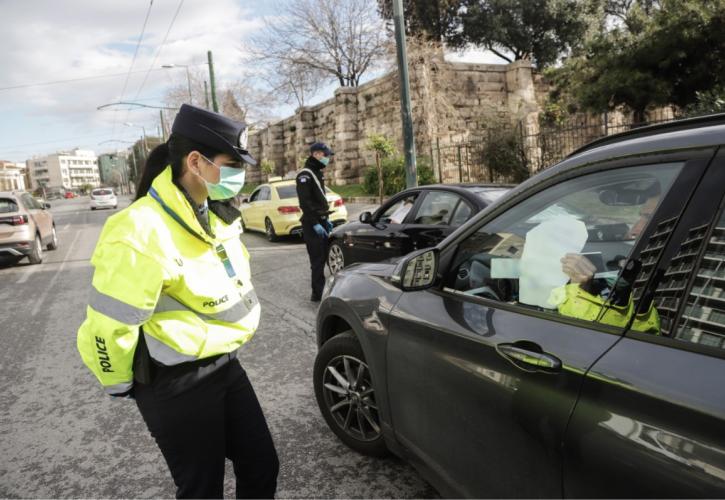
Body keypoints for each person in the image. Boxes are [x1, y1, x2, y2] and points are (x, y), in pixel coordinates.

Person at [76, 104, 279, 499]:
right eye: (232, 163)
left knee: (262, 465)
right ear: (195, 162)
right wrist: (118, 382)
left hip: (224, 365)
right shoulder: (139, 228)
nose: (241, 173)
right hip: (175, 381)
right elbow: (109, 323)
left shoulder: (217, 215)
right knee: (202, 488)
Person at [555, 192, 662, 333]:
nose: (633, 230)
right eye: (640, 217)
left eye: (649, 219)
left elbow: (584, 335)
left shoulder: (661, 288)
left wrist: (579, 289)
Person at [296, 142, 334, 302]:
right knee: (317, 260)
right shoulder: (305, 175)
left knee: (325, 256)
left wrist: (326, 219)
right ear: (316, 154)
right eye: (326, 156)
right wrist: (314, 223)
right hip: (312, 224)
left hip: (321, 220)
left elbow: (318, 199)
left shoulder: (316, 172)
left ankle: (323, 289)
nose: (327, 159)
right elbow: (305, 203)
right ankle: (317, 294)